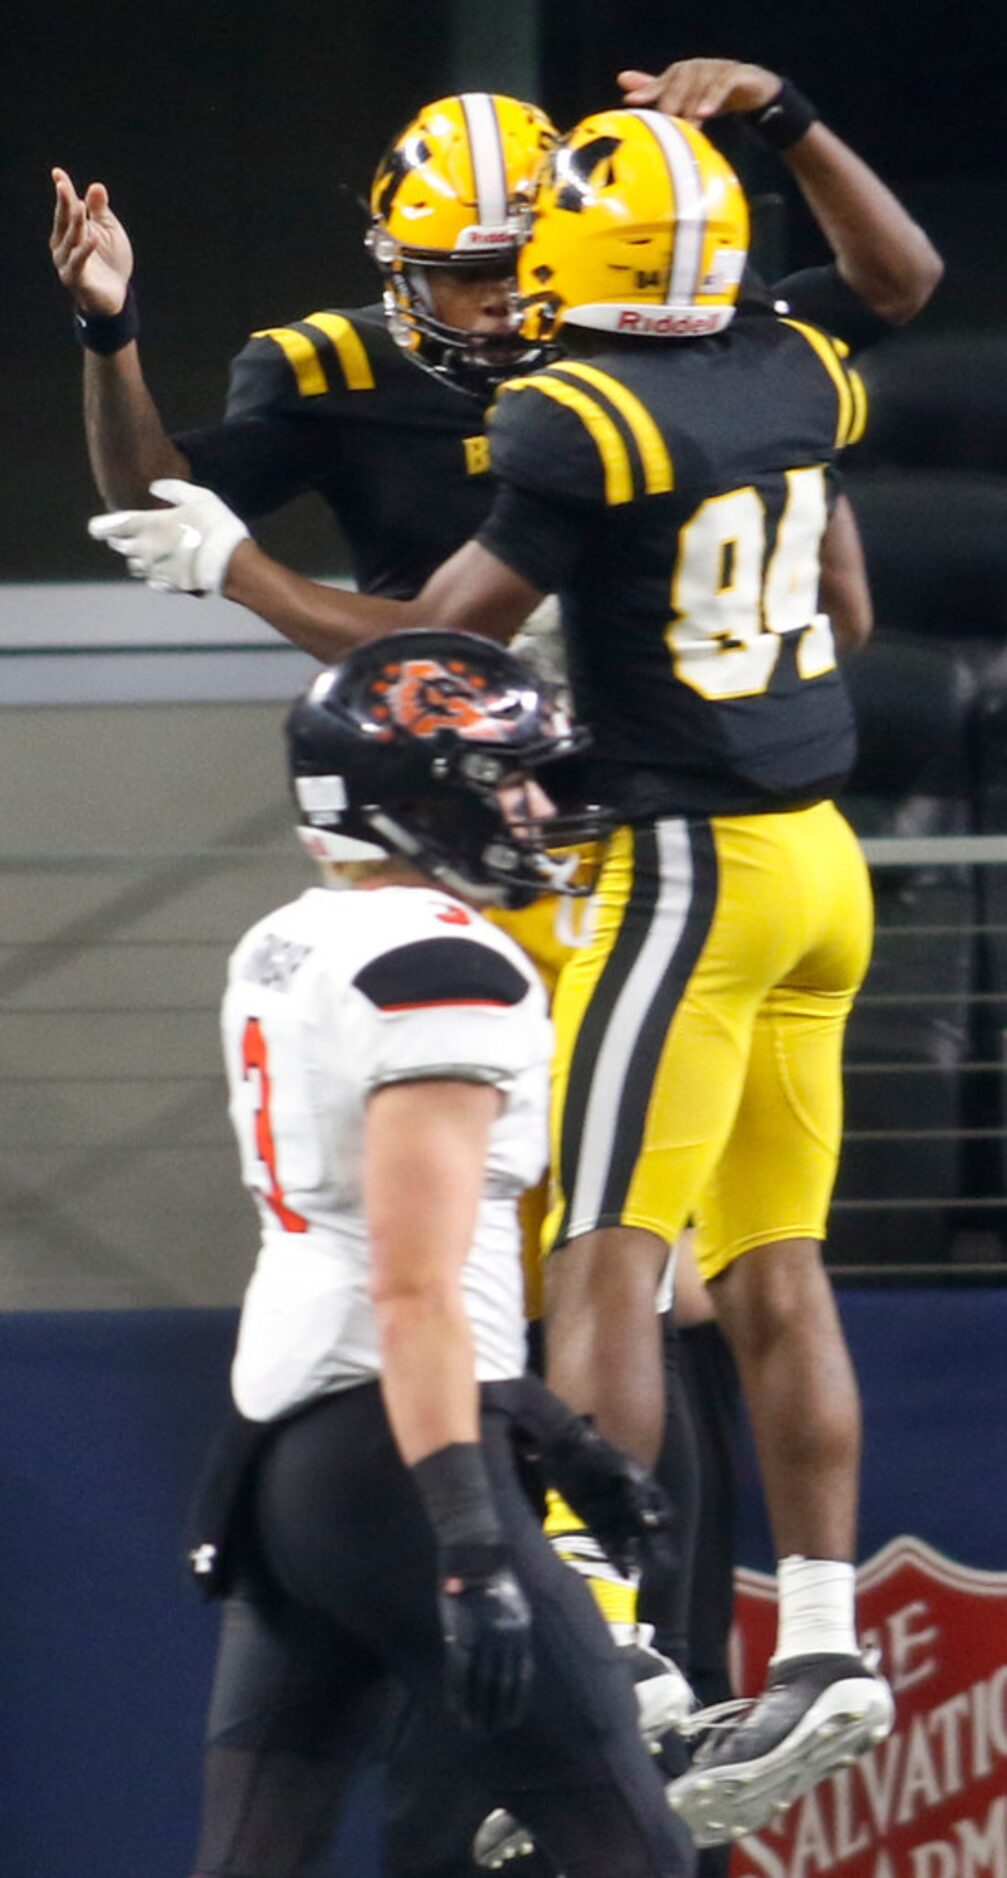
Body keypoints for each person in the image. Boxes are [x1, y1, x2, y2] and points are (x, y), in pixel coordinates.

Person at [89, 83, 945, 1851]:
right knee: (690, 1252)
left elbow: (448, 633)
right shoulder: (782, 361)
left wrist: (269, 578)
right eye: (461, 275)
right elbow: (841, 588)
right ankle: (793, 1630)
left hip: (634, 837)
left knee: (602, 1255)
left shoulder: (580, 410)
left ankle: (614, 1637)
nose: (490, 302)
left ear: (569, 246)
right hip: (738, 831)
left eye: (514, 266)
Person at [188, 625, 695, 1878]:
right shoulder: (446, 963)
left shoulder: (289, 938)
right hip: (397, 1461)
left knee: (254, 1858)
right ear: (415, 793)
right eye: (506, 777)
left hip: (286, 1454)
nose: (532, 806)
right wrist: (470, 1543)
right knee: (629, 1847)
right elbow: (412, 1291)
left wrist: (548, 1425)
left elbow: (386, 1264)